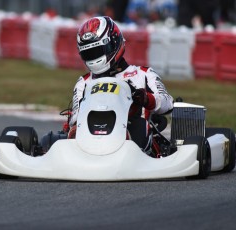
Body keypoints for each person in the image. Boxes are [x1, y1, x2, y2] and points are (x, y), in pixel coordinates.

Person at [68, 16, 174, 153]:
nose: (93, 57)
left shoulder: (143, 74)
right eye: (89, 54)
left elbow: (168, 103)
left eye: (97, 52)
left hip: (132, 138)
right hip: (91, 137)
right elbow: (75, 118)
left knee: (138, 125)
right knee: (73, 131)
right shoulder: (84, 82)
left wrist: (147, 99)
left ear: (114, 42)